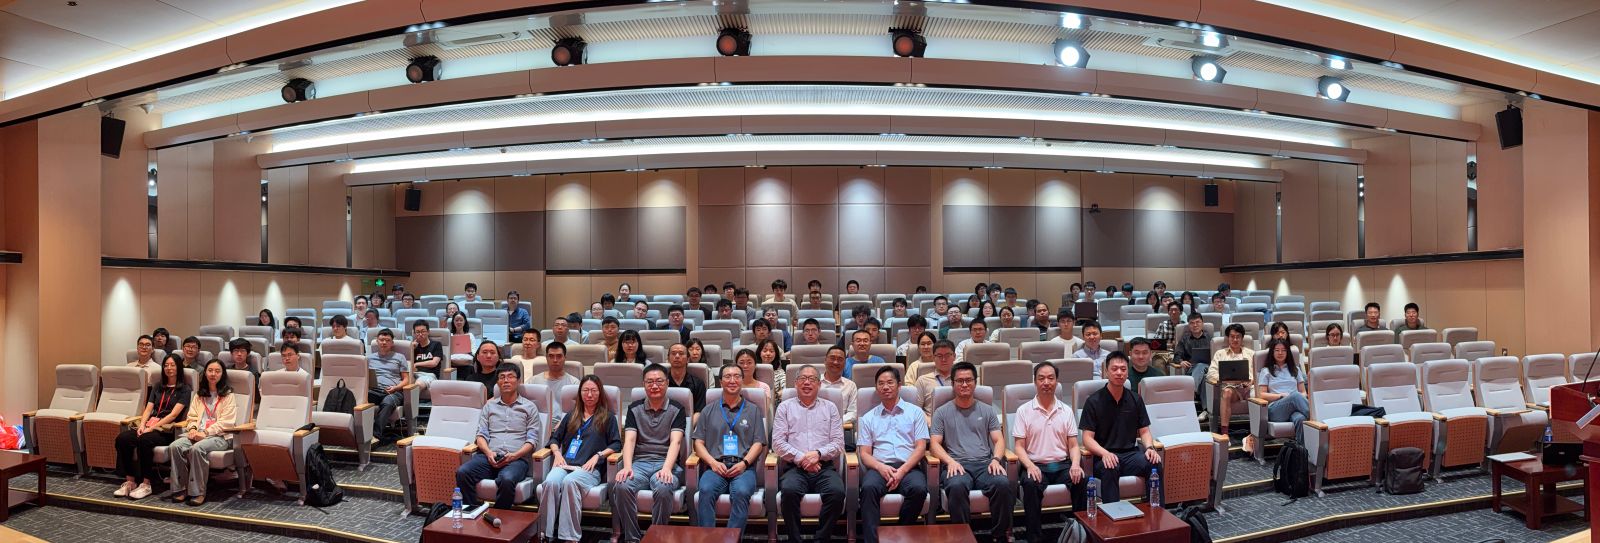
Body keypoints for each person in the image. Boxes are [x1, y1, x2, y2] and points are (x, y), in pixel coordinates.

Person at [930, 362, 1013, 543]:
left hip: (985, 464)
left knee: (1002, 483)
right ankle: (963, 537)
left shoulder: (987, 410)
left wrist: (996, 459)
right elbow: (934, 444)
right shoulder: (941, 412)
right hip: (957, 464)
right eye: (960, 381)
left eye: (969, 380)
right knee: (956, 486)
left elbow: (999, 440)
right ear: (952, 384)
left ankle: (999, 535)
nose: (964, 384)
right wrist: (950, 462)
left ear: (975, 382)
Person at [614, 364, 689, 543]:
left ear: (667, 383)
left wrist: (667, 468)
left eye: (659, 381)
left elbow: (676, 442)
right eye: (650, 382)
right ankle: (632, 538)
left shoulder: (677, 409)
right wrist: (627, 467)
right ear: (644, 384)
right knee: (622, 485)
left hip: (666, 463)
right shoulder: (634, 408)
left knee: (663, 486)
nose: (654, 386)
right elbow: (630, 440)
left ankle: (656, 537)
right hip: (640, 463)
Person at [541, 376, 620, 543]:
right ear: (580, 393)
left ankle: (570, 538)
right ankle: (544, 534)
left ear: (600, 393)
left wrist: (598, 455)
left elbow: (616, 444)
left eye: (593, 390)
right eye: (585, 390)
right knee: (550, 482)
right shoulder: (571, 415)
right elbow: (554, 439)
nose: (589, 394)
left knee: (570, 482)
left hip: (589, 470)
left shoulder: (608, 417)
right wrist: (557, 454)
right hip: (566, 465)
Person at [1013, 362, 1086, 543]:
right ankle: (1034, 538)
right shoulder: (1023, 411)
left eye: (1050, 378)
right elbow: (1019, 447)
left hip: (1062, 465)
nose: (1046, 382)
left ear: (1057, 382)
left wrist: (1075, 464)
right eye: (1041, 378)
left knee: (1081, 479)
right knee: (1030, 483)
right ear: (1035, 382)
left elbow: (1073, 445)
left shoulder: (1066, 410)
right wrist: (1030, 465)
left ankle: (1079, 533)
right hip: (1035, 465)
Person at [772, 365, 846, 543]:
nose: (807, 383)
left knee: (837, 493)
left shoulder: (830, 408)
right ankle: (795, 539)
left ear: (819, 384)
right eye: (802, 379)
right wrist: (802, 458)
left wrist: (818, 454)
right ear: (796, 383)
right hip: (795, 468)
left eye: (812, 379)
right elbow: (777, 443)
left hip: (824, 467)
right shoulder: (784, 407)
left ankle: (821, 539)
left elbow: (838, 443)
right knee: (789, 492)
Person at [692, 362, 768, 535]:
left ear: (742, 380)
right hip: (715, 466)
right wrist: (712, 463)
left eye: (736, 376)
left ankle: (731, 539)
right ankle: (708, 539)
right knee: (705, 490)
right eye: (727, 376)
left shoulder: (753, 410)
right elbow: (698, 443)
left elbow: (758, 443)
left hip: (743, 467)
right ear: (721, 382)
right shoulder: (708, 410)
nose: (732, 380)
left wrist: (744, 463)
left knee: (741, 492)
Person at [857, 365, 930, 543]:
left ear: (899, 385)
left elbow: (921, 447)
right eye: (881, 383)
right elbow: (864, 453)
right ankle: (872, 540)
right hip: (879, 468)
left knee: (918, 489)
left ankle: (901, 535)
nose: (885, 387)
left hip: (908, 467)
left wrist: (902, 471)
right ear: (876, 388)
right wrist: (881, 468)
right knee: (868, 489)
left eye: (890, 382)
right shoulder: (868, 418)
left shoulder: (915, 412)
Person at [1079, 351, 1162, 505]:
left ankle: (1156, 511)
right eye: (1114, 369)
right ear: (1106, 372)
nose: (1119, 373)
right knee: (1110, 466)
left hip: (1130, 454)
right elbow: (1087, 438)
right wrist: (1105, 453)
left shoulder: (1135, 399)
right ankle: (1113, 515)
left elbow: (1144, 431)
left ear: (1127, 373)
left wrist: (1150, 448)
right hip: (1103, 456)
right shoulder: (1093, 401)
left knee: (1154, 463)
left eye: (1123, 369)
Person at [456, 363, 543, 510]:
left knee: (507, 479)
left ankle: (498, 516)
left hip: (516, 460)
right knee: (463, 473)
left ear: (519, 381)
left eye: (510, 377)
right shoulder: (489, 407)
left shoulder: (529, 407)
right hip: (489, 457)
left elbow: (532, 440)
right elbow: (481, 435)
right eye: (502, 377)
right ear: (497, 382)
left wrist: (514, 456)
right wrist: (488, 453)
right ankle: (472, 512)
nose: (506, 381)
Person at [115, 354, 190, 500]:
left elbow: (173, 415)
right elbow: (148, 409)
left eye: (172, 365)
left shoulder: (184, 389)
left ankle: (146, 484)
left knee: (145, 440)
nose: (169, 368)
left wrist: (152, 427)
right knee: (123, 438)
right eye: (166, 365)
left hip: (166, 430)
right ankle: (130, 481)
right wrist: (142, 425)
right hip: (149, 426)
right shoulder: (158, 386)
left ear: (179, 368)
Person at [168, 359, 238, 506]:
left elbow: (227, 422)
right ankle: (181, 488)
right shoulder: (199, 395)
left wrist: (205, 433)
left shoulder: (228, 395)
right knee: (175, 446)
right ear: (205, 373)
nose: (213, 374)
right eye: (210, 370)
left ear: (222, 374)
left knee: (197, 448)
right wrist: (193, 428)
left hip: (221, 436)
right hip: (198, 433)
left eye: (217, 371)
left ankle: (198, 491)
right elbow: (192, 416)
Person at [1206, 324, 1255, 439]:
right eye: (1232, 336)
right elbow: (1211, 374)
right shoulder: (1220, 354)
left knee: (1258, 395)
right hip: (1231, 388)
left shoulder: (1252, 354)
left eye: (1238, 337)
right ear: (1228, 338)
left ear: (1242, 338)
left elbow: (1259, 372)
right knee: (1227, 392)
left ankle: (1255, 433)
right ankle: (1225, 433)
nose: (1235, 339)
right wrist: (1229, 379)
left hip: (1249, 387)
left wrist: (1252, 380)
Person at [1257, 338, 1310, 442]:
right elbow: (1261, 395)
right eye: (1277, 350)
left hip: (1295, 406)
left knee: (1300, 419)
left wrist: (1298, 397)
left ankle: (1302, 450)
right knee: (1295, 396)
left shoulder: (1295, 369)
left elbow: (1303, 392)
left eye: (1283, 350)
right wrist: (1281, 396)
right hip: (1275, 410)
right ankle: (1318, 419)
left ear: (1287, 352)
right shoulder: (1266, 371)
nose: (1280, 353)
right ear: (1272, 352)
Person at [366, 329, 411, 442]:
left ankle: (375, 436)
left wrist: (396, 388)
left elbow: (406, 379)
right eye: (381, 340)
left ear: (392, 343)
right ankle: (356, 432)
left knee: (387, 402)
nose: (384, 342)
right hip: (374, 390)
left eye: (387, 340)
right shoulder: (369, 358)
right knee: (358, 399)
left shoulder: (400, 357)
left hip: (394, 392)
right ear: (377, 341)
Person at [915, 340, 957, 419]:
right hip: (931, 421)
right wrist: (927, 420)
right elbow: (915, 408)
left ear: (954, 356)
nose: (943, 359)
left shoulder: (962, 380)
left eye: (947, 355)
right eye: (939, 356)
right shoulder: (922, 380)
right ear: (934, 357)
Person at [1174, 312, 1213, 395]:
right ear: (1189, 325)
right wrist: (1181, 362)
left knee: (1202, 367)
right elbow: (1177, 355)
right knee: (1204, 378)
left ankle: (1190, 393)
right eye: (1192, 323)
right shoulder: (1184, 339)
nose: (1195, 325)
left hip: (1208, 369)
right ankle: (1195, 394)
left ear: (1202, 323)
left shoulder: (1210, 339)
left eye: (1197, 322)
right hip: (1190, 369)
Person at [820, 345, 858, 430]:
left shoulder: (851, 385)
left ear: (844, 364)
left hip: (841, 428)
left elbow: (853, 412)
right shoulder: (814, 382)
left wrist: (835, 422)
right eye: (832, 358)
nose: (835, 362)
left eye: (840, 359)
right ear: (825, 361)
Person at [665, 343, 707, 416]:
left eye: (681, 353)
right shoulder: (662, 383)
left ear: (688, 359)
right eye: (673, 353)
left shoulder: (698, 383)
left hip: (691, 420)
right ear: (668, 359)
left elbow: (699, 411)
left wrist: (691, 423)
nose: (677, 356)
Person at [411, 320, 443, 390]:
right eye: (417, 332)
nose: (420, 334)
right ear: (414, 333)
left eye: (423, 331)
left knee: (418, 385)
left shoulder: (436, 345)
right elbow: (408, 364)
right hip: (413, 374)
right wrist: (411, 349)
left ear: (428, 332)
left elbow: (434, 363)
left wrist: (416, 364)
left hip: (429, 375)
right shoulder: (413, 347)